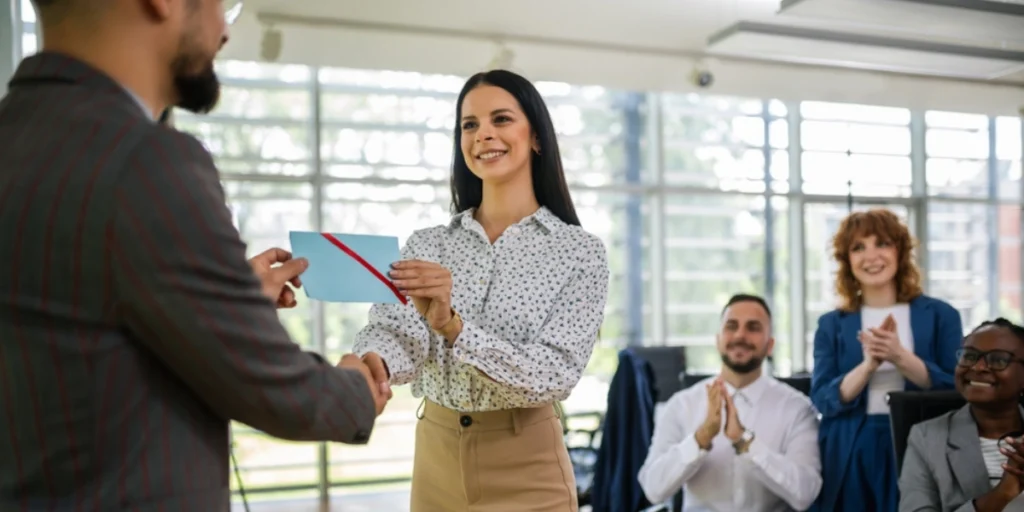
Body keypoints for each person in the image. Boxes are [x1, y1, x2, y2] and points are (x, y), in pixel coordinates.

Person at [0, 0, 386, 509]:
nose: (224, 28)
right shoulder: (148, 161)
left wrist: (226, 298)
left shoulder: (18, 137)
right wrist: (359, 387)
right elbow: (277, 390)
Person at [353, 69, 610, 512]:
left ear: (536, 137)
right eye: (469, 124)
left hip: (528, 466)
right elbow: (397, 333)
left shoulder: (579, 252)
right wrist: (371, 364)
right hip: (436, 459)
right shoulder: (428, 244)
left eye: (501, 119)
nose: (483, 134)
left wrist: (454, 328)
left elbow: (553, 374)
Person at [811, 209, 962, 512]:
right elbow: (823, 399)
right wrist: (868, 366)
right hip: (852, 444)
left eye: (882, 243)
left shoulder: (942, 315)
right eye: (858, 247)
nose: (871, 256)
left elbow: (958, 389)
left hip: (919, 441)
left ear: (900, 251)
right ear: (847, 260)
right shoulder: (831, 324)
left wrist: (900, 357)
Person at [637, 294, 822, 511]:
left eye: (753, 327)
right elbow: (653, 489)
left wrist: (745, 442)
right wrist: (700, 438)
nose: (740, 335)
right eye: (731, 326)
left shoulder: (798, 408)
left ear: (770, 345)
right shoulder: (681, 405)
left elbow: (806, 494)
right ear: (718, 340)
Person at [899, 318, 1024, 512]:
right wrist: (1002, 494)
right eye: (970, 356)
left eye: (998, 359)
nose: (978, 367)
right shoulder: (927, 438)